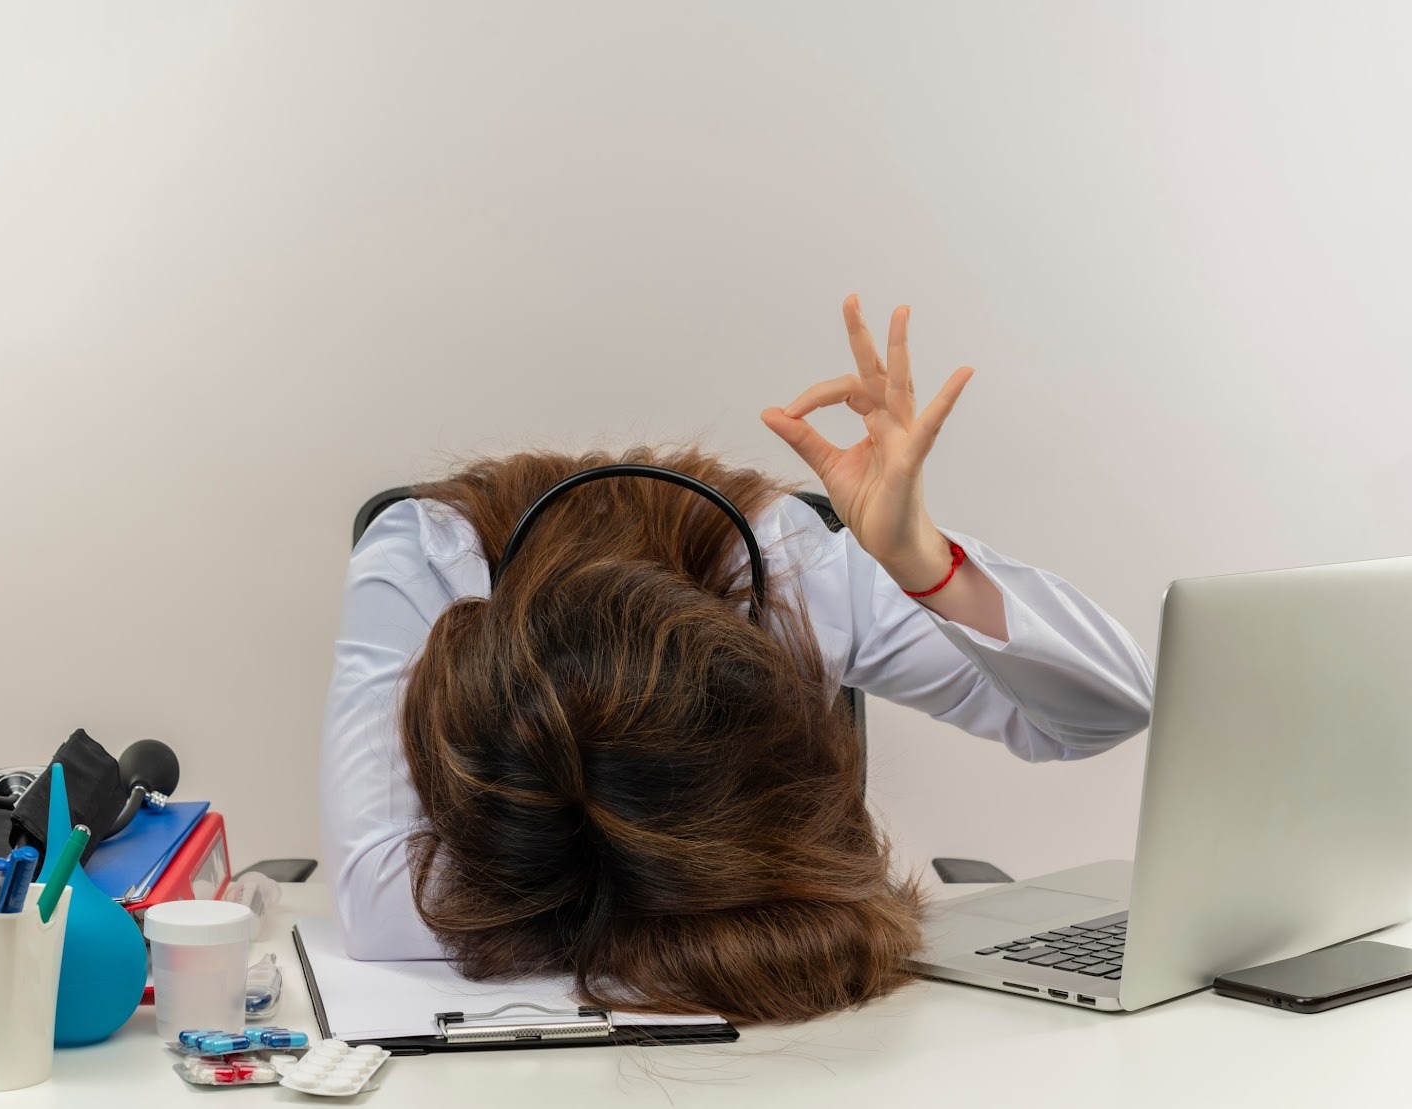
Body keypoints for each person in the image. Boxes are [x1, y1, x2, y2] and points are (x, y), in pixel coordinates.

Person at [320, 295, 1153, 1025]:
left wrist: (924, 561)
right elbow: (380, 904)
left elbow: (1103, 710)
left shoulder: (783, 559)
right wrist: (747, 922)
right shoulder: (434, 558)